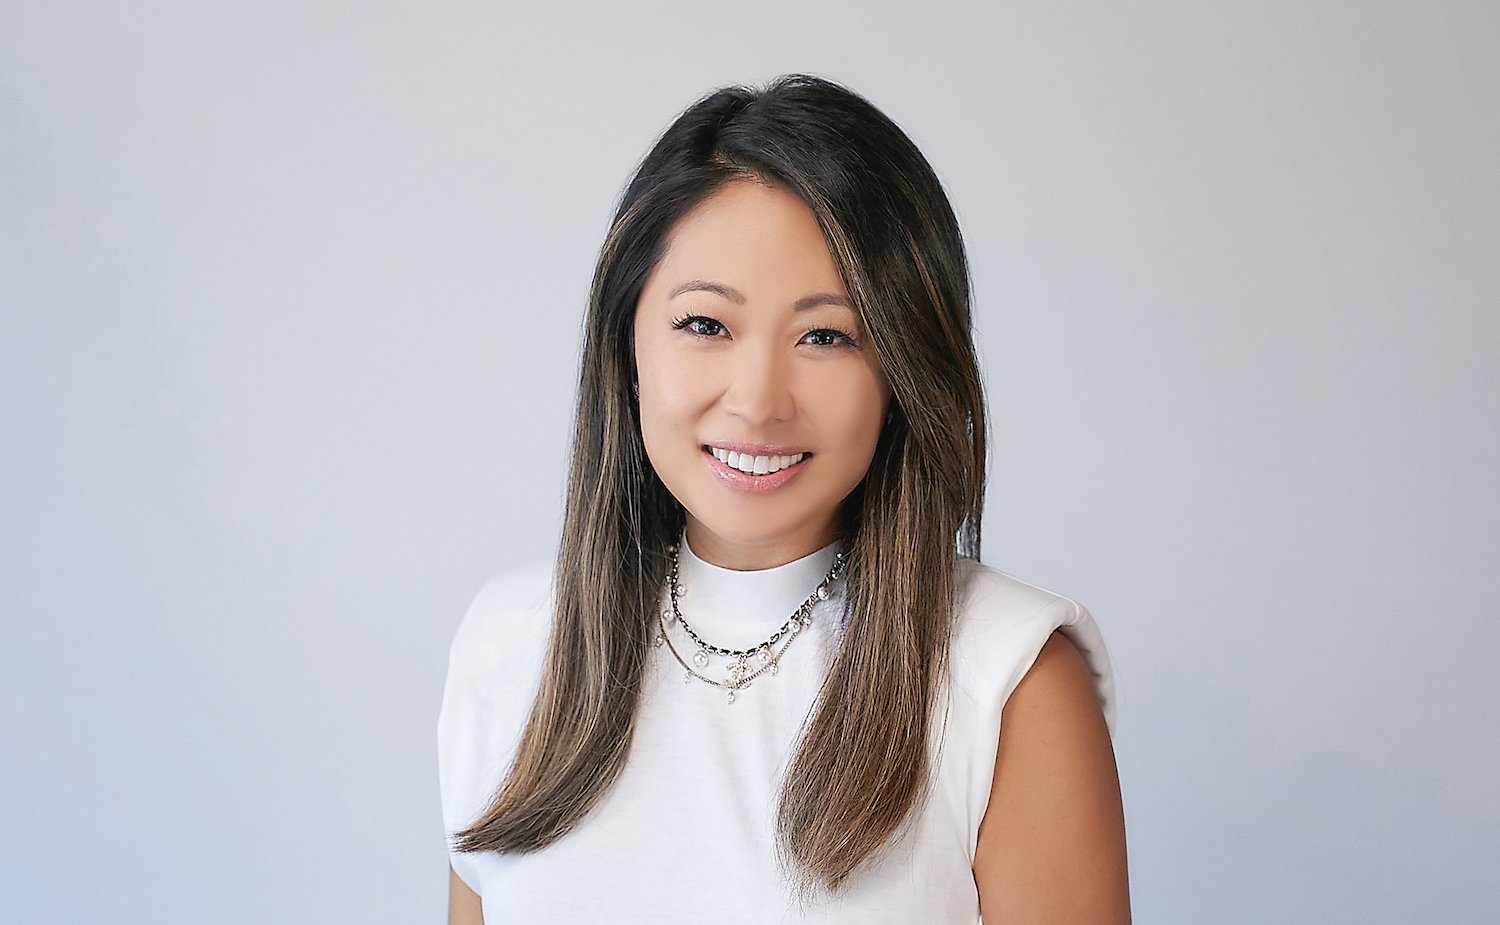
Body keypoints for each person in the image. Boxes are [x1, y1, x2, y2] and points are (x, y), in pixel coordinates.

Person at [438, 74, 1129, 924]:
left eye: (827, 336)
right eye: (705, 325)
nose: (759, 400)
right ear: (628, 342)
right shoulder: (511, 643)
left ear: (906, 369)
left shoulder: (1008, 676)